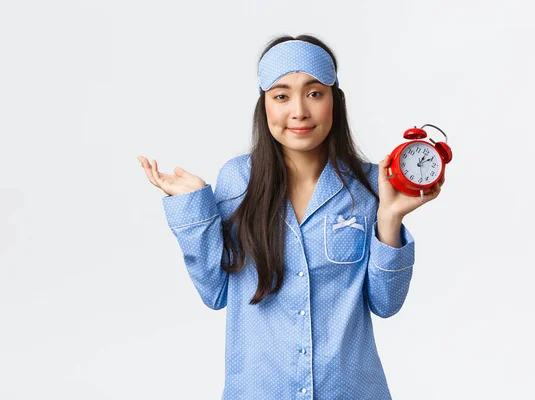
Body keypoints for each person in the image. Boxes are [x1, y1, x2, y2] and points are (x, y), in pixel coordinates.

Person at [137, 34, 444, 400]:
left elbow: (386, 303)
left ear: (335, 101)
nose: (299, 110)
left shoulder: (368, 184)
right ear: (264, 105)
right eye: (281, 95)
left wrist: (390, 218)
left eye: (315, 93)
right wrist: (194, 208)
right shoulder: (238, 180)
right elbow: (216, 292)